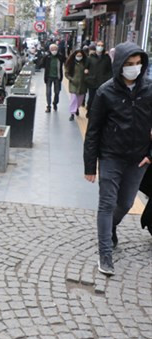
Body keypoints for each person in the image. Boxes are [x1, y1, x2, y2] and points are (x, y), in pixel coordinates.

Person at [83, 42, 152, 276]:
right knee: (107, 203)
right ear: (119, 65)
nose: (133, 68)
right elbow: (93, 130)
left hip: (138, 159)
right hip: (111, 156)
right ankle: (105, 253)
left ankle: (110, 227)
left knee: (126, 203)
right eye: (128, 64)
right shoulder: (105, 92)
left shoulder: (149, 89)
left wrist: (150, 155)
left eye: (137, 63)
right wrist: (90, 165)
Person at [84, 41, 113, 113]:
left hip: (102, 82)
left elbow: (110, 70)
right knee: (91, 98)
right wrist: (87, 77)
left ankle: (98, 113)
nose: (100, 47)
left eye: (101, 45)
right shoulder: (90, 57)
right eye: (98, 45)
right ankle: (89, 111)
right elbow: (85, 68)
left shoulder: (106, 58)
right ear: (96, 46)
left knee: (101, 99)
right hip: (92, 81)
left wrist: (107, 79)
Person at [65, 49, 87, 121]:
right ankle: (72, 113)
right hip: (73, 84)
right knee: (73, 99)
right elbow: (67, 73)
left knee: (80, 100)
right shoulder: (71, 63)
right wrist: (71, 79)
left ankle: (77, 108)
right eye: (77, 55)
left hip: (82, 84)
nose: (79, 57)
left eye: (80, 56)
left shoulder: (85, 63)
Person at [42, 43, 65, 113]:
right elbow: (41, 64)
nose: (54, 50)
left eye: (55, 49)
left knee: (57, 92)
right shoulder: (47, 57)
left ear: (57, 50)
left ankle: (55, 103)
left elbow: (67, 62)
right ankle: (48, 106)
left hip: (57, 77)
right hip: (48, 77)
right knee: (48, 92)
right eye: (52, 49)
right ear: (50, 50)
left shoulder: (60, 57)